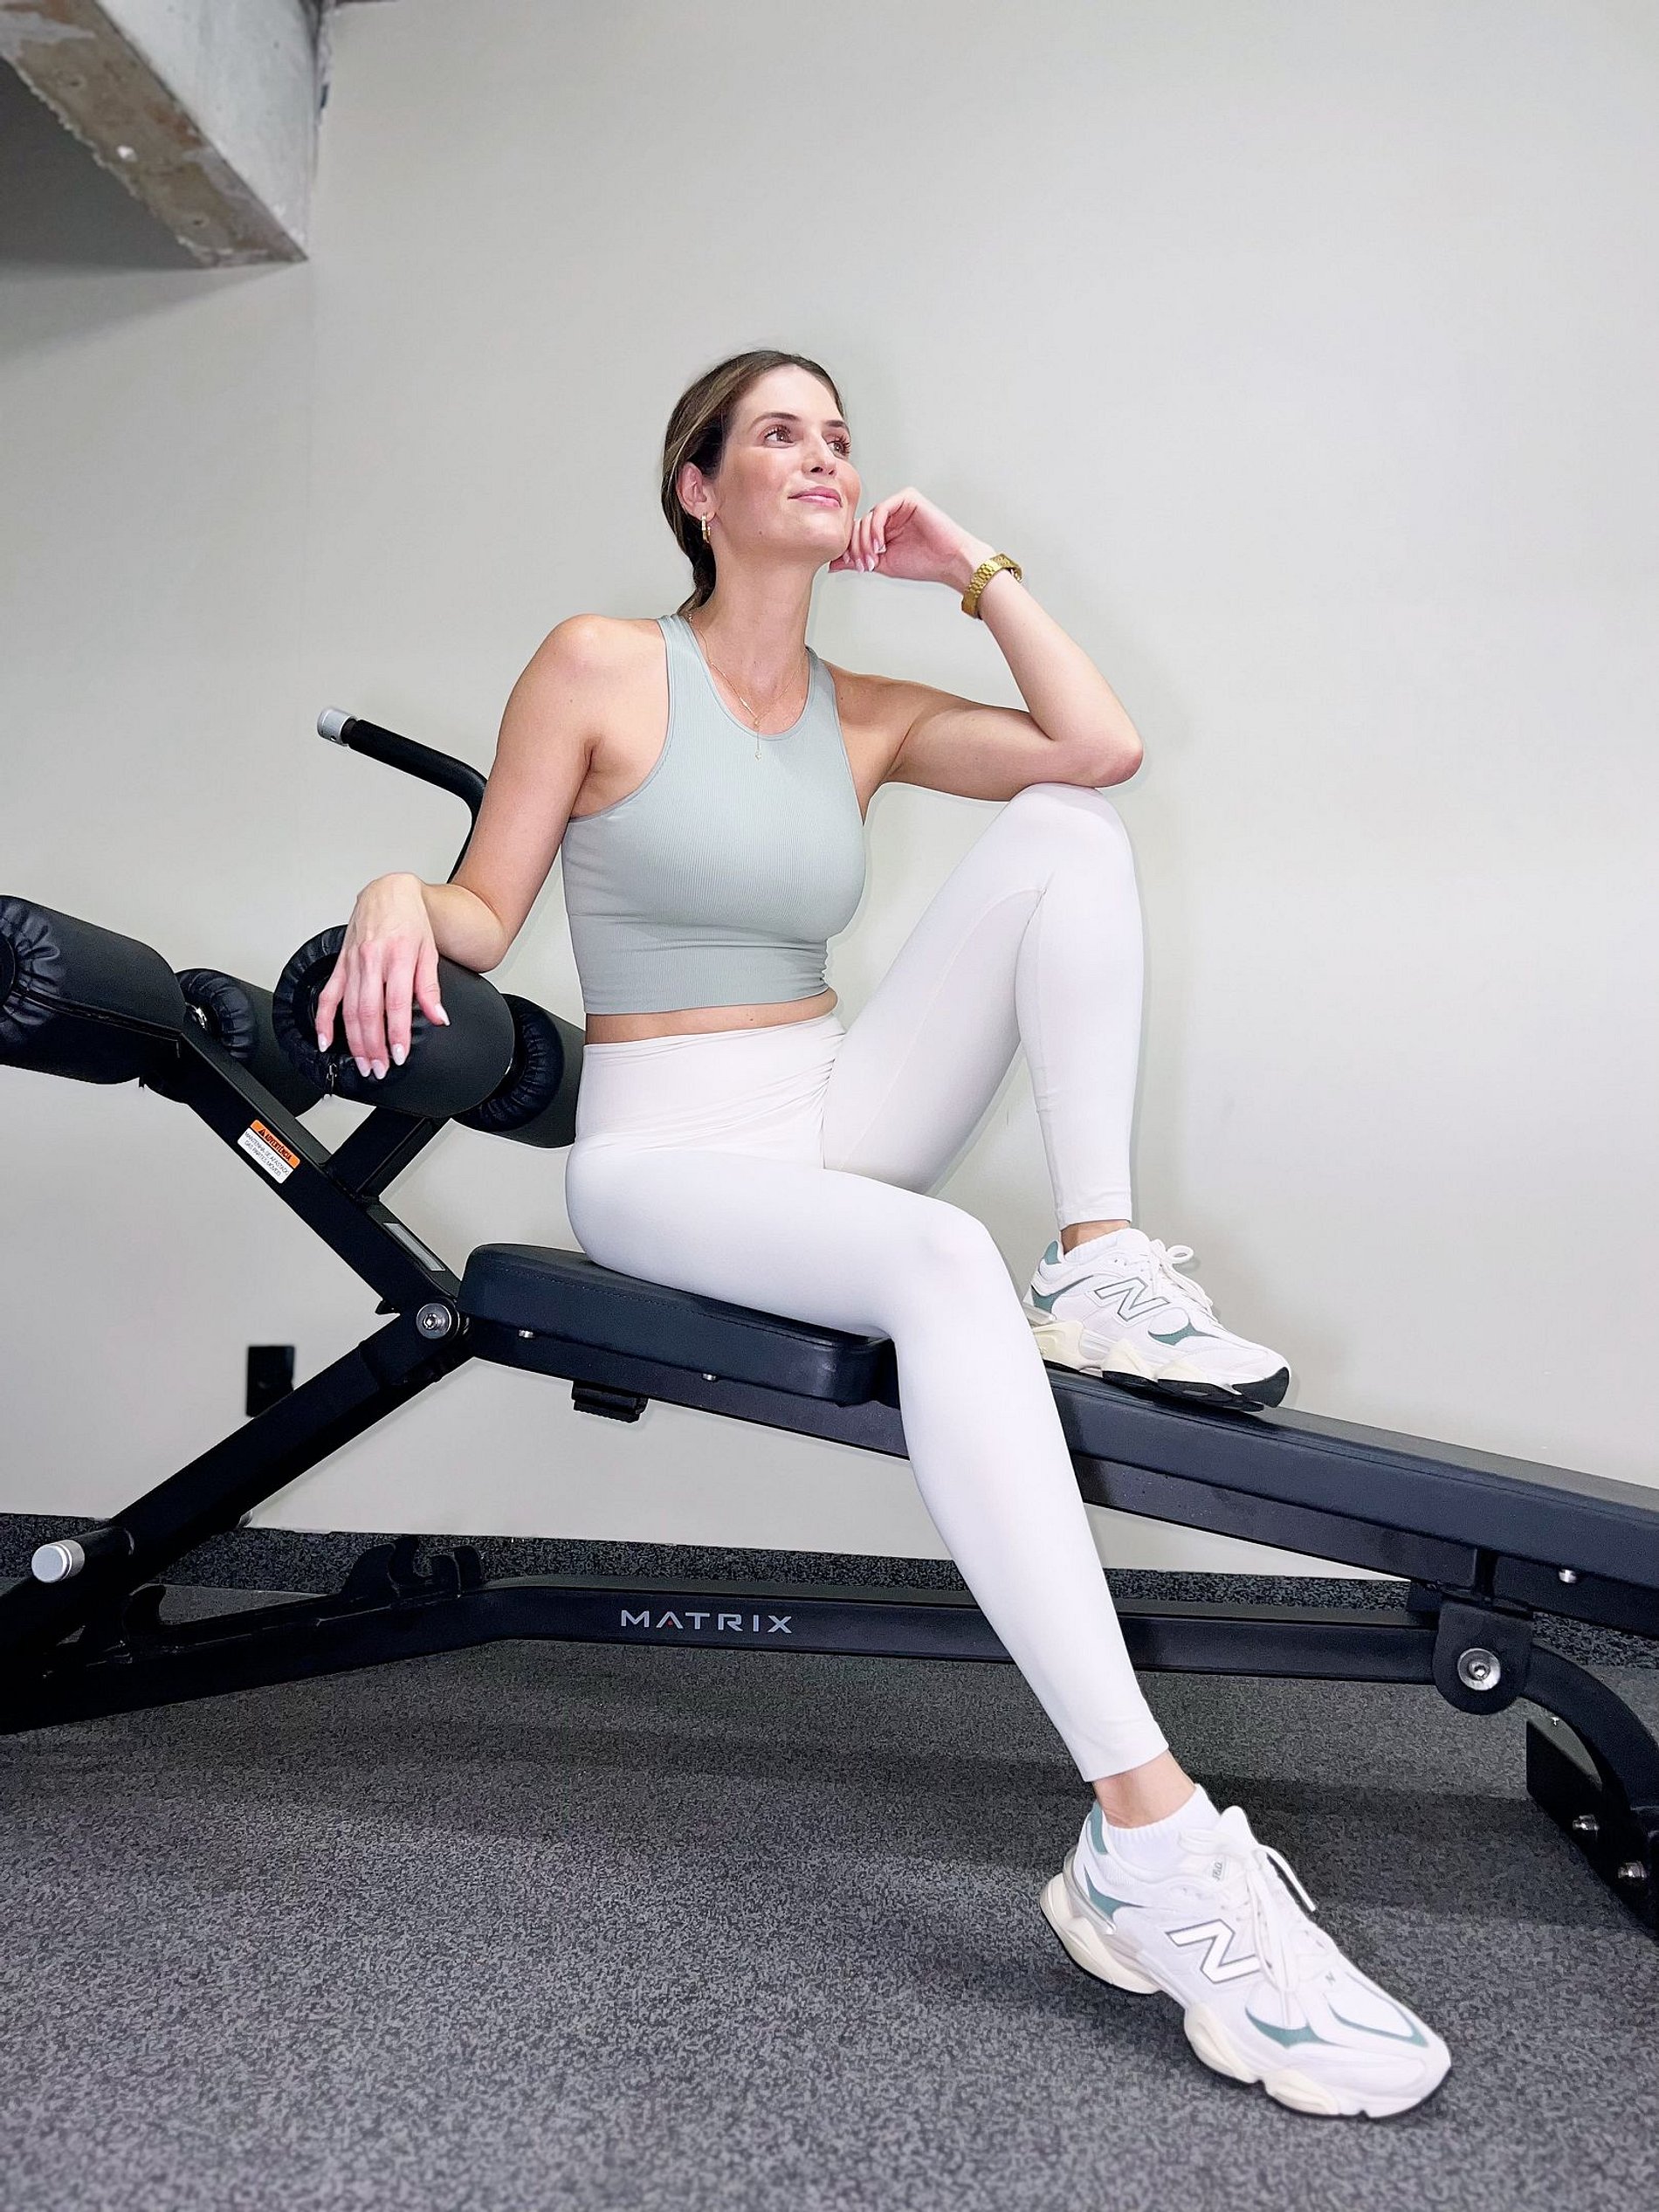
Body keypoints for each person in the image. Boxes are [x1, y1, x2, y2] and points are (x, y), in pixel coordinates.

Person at [313, 349, 1449, 2119]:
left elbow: (1100, 743)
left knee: (1067, 827)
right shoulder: (602, 661)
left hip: (830, 1101)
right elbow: (480, 901)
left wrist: (970, 566)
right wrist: (395, 890)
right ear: (696, 487)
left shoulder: (860, 711)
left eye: (837, 436)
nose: (821, 454)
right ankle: (1150, 1838)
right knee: (938, 1260)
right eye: (779, 431)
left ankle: (1101, 1253)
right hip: (663, 1146)